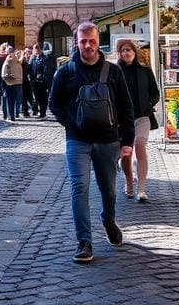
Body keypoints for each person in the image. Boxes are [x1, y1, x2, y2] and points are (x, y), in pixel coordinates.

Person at [48, 22, 134, 264]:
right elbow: (53, 102)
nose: (87, 45)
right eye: (83, 41)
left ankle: (108, 219)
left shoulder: (113, 71)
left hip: (108, 141)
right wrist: (71, 123)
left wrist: (127, 141)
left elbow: (126, 107)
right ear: (77, 42)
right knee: (79, 188)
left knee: (108, 190)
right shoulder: (67, 71)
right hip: (78, 142)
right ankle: (84, 241)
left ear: (98, 42)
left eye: (92, 41)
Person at [116, 40, 160, 203]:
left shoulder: (145, 71)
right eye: (122, 51)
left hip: (142, 116)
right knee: (126, 154)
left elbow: (155, 93)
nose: (125, 53)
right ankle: (128, 180)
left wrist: (147, 105)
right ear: (119, 54)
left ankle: (141, 189)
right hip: (122, 120)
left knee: (140, 146)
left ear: (134, 52)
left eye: (128, 50)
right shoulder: (114, 71)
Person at [28, 44, 52, 120]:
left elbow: (47, 71)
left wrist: (47, 81)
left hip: (43, 82)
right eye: (35, 49)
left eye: (38, 49)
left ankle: (43, 113)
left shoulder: (46, 58)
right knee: (37, 98)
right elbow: (30, 69)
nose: (36, 50)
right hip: (35, 82)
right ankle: (40, 112)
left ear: (41, 50)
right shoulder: (33, 58)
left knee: (44, 98)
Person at [1, 46, 24, 121]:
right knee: (16, 100)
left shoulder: (9, 58)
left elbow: (4, 73)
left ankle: (11, 115)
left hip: (10, 82)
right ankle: (14, 114)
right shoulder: (17, 60)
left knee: (10, 100)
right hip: (17, 82)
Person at [21, 46, 34, 117]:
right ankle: (25, 111)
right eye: (27, 52)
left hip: (32, 80)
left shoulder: (33, 59)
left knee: (31, 96)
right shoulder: (22, 60)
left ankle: (34, 109)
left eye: (30, 52)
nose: (28, 53)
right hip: (24, 80)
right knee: (24, 96)